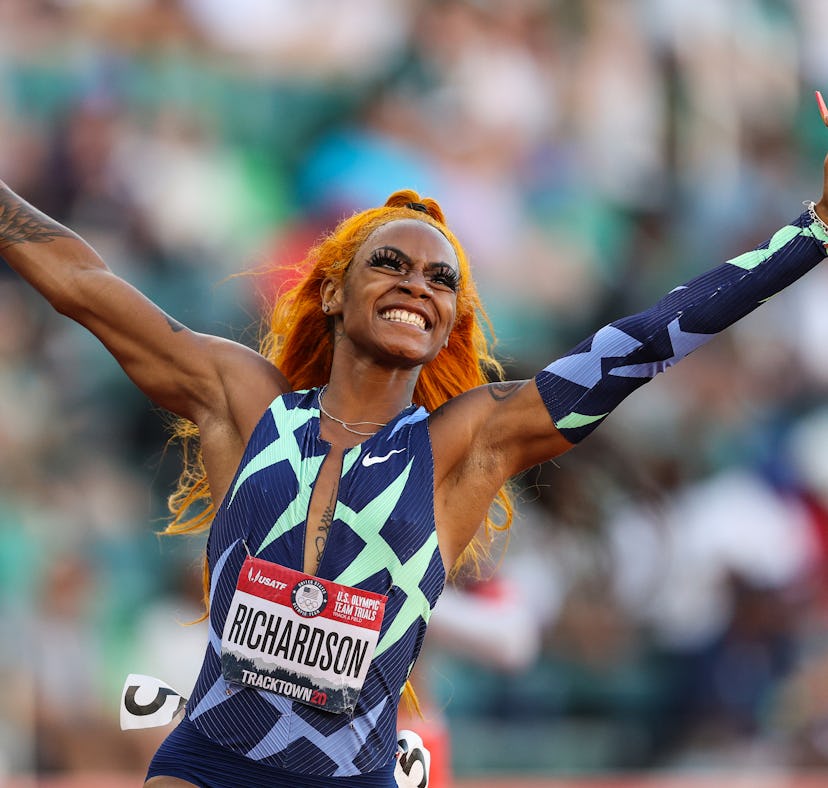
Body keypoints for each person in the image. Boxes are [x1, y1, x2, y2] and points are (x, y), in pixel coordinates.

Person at [2, 118, 828, 786]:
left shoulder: (462, 446)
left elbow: (636, 348)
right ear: (332, 289)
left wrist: (813, 232)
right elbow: (81, 282)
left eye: (441, 280)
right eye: (389, 264)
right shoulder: (243, 400)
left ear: (449, 324)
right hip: (209, 765)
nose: (416, 284)